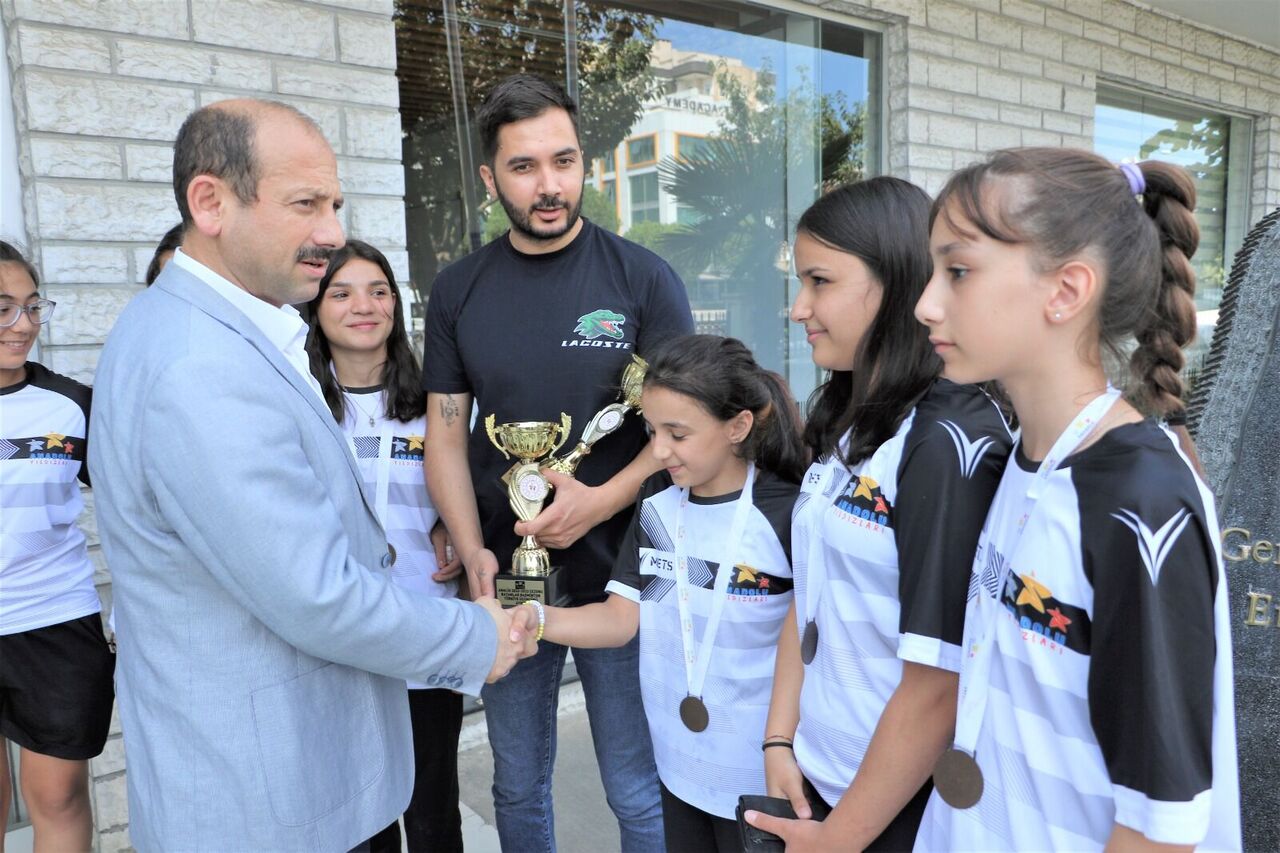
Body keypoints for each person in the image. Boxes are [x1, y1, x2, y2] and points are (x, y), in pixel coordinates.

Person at [89, 99, 533, 852]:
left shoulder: (209, 331)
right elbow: (315, 594)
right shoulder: (200, 366)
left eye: (335, 204)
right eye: (305, 204)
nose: (330, 232)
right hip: (265, 804)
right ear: (210, 202)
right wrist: (474, 635)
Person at [911, 150, 1241, 851]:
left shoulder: (1141, 499)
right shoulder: (1019, 457)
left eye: (957, 271)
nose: (926, 304)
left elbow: (1159, 828)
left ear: (1066, 291)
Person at [422, 73, 693, 852]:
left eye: (564, 161)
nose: (549, 185)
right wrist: (472, 547)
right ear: (489, 179)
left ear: (584, 163)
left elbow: (686, 429)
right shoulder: (458, 290)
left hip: (625, 572)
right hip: (509, 577)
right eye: (524, 166)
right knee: (517, 781)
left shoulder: (642, 279)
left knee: (637, 787)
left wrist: (602, 500)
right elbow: (446, 433)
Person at [744, 177, 1013, 851]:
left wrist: (839, 838)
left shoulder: (947, 439)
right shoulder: (849, 415)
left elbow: (938, 681)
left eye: (820, 281)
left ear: (896, 284)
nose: (798, 308)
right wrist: (780, 739)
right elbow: (810, 591)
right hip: (822, 780)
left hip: (902, 814)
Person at [517, 334, 804, 852]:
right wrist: (531, 618)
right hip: (677, 770)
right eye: (652, 431)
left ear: (738, 426)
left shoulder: (788, 511)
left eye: (678, 433)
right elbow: (619, 619)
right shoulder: (656, 501)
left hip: (762, 776)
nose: (659, 450)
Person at [305, 239, 467, 853]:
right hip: (336, 637)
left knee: (432, 814)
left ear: (396, 304)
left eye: (379, 291)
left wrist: (458, 522)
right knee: (360, 822)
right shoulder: (298, 402)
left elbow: (471, 488)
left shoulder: (439, 402)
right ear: (316, 307)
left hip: (423, 627)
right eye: (341, 293)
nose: (364, 306)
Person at [0, 240, 114, 851]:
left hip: (54, 621)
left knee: (59, 797)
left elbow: (135, 503)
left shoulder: (71, 404)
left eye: (32, 306)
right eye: (3, 308)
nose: (23, 325)